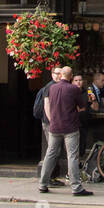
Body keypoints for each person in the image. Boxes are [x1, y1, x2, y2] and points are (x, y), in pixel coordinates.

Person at [39, 66, 93, 197]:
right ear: (71, 76)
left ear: (61, 75)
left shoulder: (52, 88)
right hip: (70, 127)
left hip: (55, 126)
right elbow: (81, 107)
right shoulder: (73, 89)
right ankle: (76, 187)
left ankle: (42, 184)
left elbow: (49, 105)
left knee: (50, 155)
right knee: (72, 156)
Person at [33, 68, 67, 185]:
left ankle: (52, 177)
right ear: (52, 75)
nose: (59, 76)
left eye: (61, 74)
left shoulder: (57, 86)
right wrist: (52, 121)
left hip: (54, 123)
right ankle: (48, 178)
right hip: (49, 123)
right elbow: (47, 106)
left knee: (55, 150)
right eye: (57, 74)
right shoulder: (50, 87)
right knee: (53, 150)